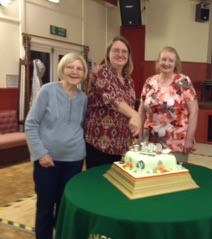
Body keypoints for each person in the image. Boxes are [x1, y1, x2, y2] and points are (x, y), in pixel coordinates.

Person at [25, 53, 88, 239]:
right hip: (47, 161)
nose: (74, 72)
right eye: (70, 67)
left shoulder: (83, 98)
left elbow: (80, 125)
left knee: (64, 208)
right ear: (62, 69)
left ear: (84, 73)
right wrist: (40, 153)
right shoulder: (47, 90)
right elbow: (31, 123)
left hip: (74, 161)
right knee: (45, 207)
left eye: (79, 68)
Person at [84, 35, 141, 169]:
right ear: (108, 54)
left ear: (128, 56)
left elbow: (130, 105)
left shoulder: (128, 80)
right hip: (99, 144)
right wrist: (135, 115)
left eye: (124, 51)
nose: (120, 54)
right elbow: (113, 99)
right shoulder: (101, 72)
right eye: (116, 50)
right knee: (98, 185)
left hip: (121, 146)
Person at [138, 46, 198, 163]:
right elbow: (142, 110)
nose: (166, 63)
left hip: (176, 143)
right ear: (158, 61)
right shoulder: (149, 82)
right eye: (164, 59)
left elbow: (194, 111)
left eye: (171, 60)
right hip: (150, 142)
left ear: (175, 64)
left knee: (173, 179)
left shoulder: (183, 81)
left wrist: (189, 139)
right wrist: (139, 135)